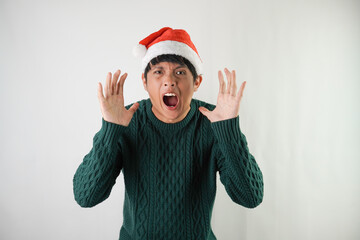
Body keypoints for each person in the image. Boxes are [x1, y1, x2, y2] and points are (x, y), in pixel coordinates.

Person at [73, 27, 264, 240]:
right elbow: (85, 196)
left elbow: (250, 197)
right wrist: (111, 129)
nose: (169, 80)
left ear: (197, 82)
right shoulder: (127, 122)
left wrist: (229, 132)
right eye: (158, 72)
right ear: (144, 82)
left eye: (180, 72)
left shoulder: (214, 123)